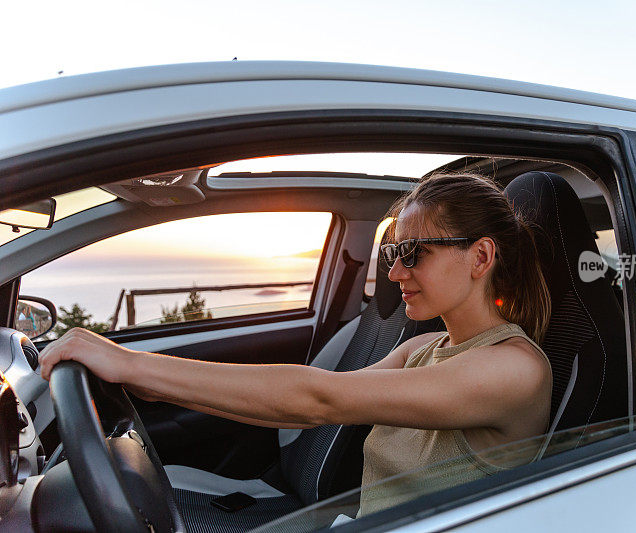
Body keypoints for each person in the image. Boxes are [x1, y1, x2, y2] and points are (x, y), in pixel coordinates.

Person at [38, 172, 552, 516]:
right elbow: (302, 409)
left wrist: (130, 364)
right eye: (394, 251)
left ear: (480, 258)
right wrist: (158, 389)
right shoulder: (427, 348)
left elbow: (318, 398)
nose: (394, 270)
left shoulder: (514, 370)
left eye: (414, 252)